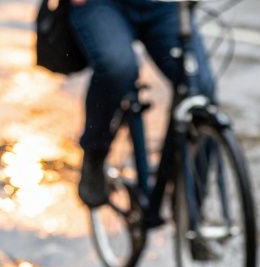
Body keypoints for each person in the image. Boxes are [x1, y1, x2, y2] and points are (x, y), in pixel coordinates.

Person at [69, 0, 216, 207]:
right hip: (103, 4)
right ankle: (95, 152)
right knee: (117, 68)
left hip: (166, 6)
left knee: (200, 91)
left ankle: (190, 200)